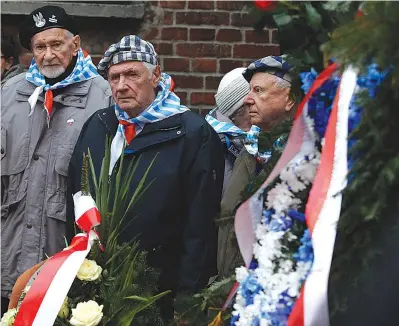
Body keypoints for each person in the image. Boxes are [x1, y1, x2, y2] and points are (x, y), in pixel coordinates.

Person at [66, 35, 224, 320]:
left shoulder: (191, 133)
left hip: (159, 290)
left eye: (132, 74)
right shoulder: (98, 125)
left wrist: (188, 299)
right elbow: (76, 194)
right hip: (96, 285)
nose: (121, 85)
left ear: (156, 76)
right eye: (114, 77)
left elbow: (201, 223)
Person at [1, 5, 111, 314]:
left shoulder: (103, 99)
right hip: (7, 260)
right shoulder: (8, 96)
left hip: (66, 266)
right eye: (40, 47)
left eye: (56, 44)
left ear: (75, 44)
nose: (48, 54)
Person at [217, 55, 297, 279]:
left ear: (289, 99)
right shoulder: (250, 151)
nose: (247, 100)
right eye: (249, 91)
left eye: (258, 91)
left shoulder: (303, 157)